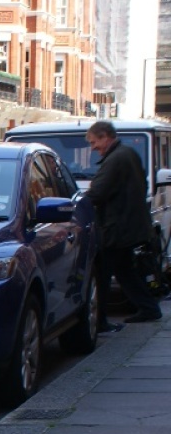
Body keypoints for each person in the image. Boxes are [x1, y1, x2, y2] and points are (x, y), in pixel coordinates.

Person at [84, 120, 163, 330]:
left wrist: (78, 202)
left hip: (116, 228)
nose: (93, 148)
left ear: (105, 137)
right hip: (126, 225)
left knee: (102, 275)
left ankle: (99, 321)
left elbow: (98, 192)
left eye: (94, 143)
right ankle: (149, 309)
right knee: (125, 271)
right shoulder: (127, 154)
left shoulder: (116, 160)